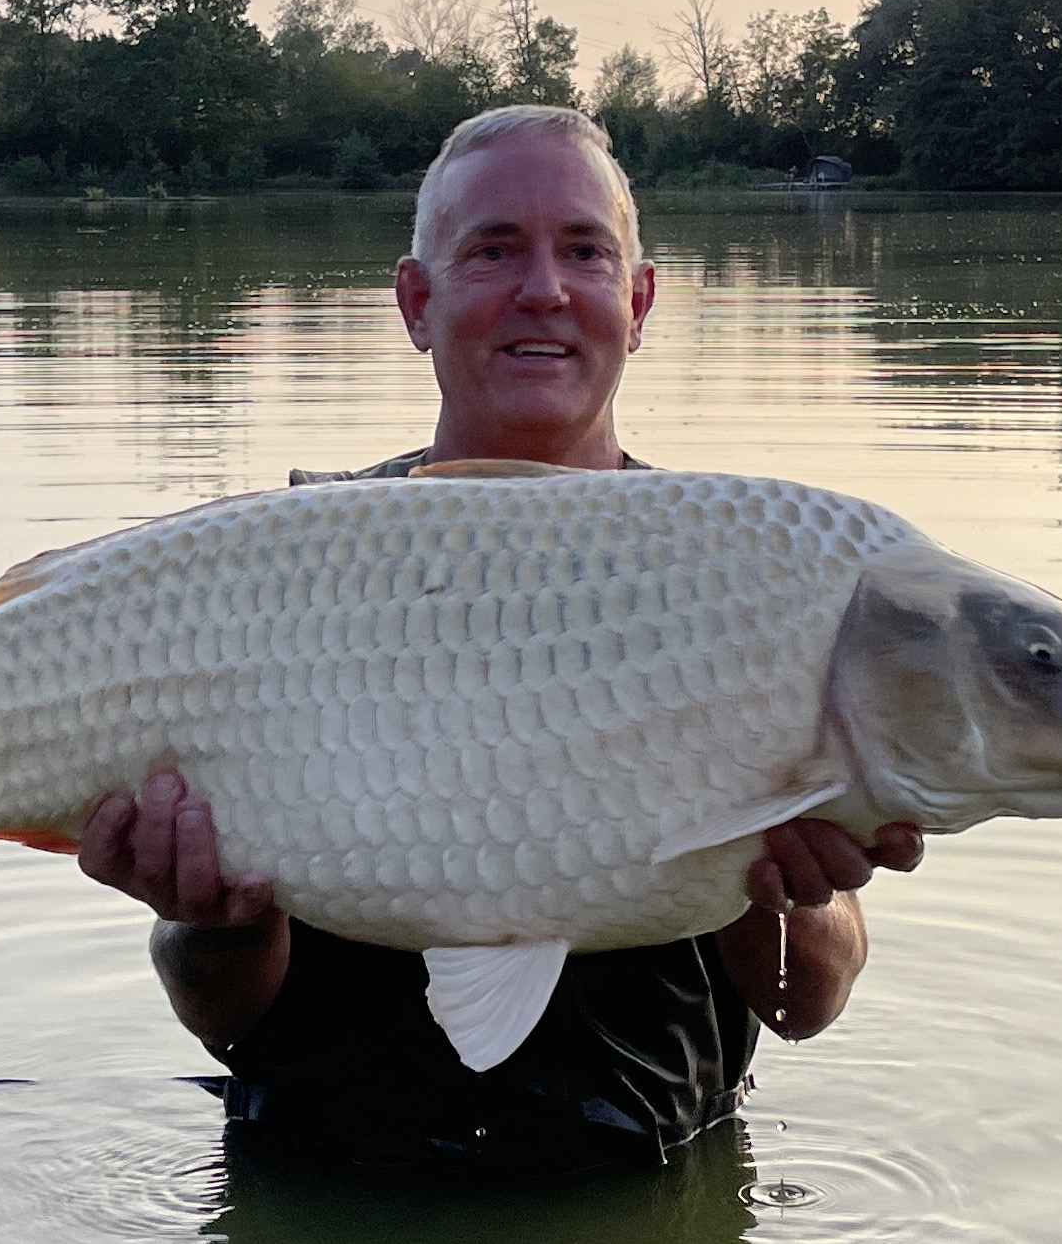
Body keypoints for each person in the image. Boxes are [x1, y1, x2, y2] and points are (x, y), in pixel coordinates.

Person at [77, 106, 924, 1171]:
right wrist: (216, 919)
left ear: (638, 300)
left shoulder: (749, 578)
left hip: (648, 1186)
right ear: (416, 302)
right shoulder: (285, 568)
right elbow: (218, 1014)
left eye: (584, 251)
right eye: (493, 250)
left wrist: (772, 884)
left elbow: (811, 1003)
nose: (545, 289)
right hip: (324, 1178)